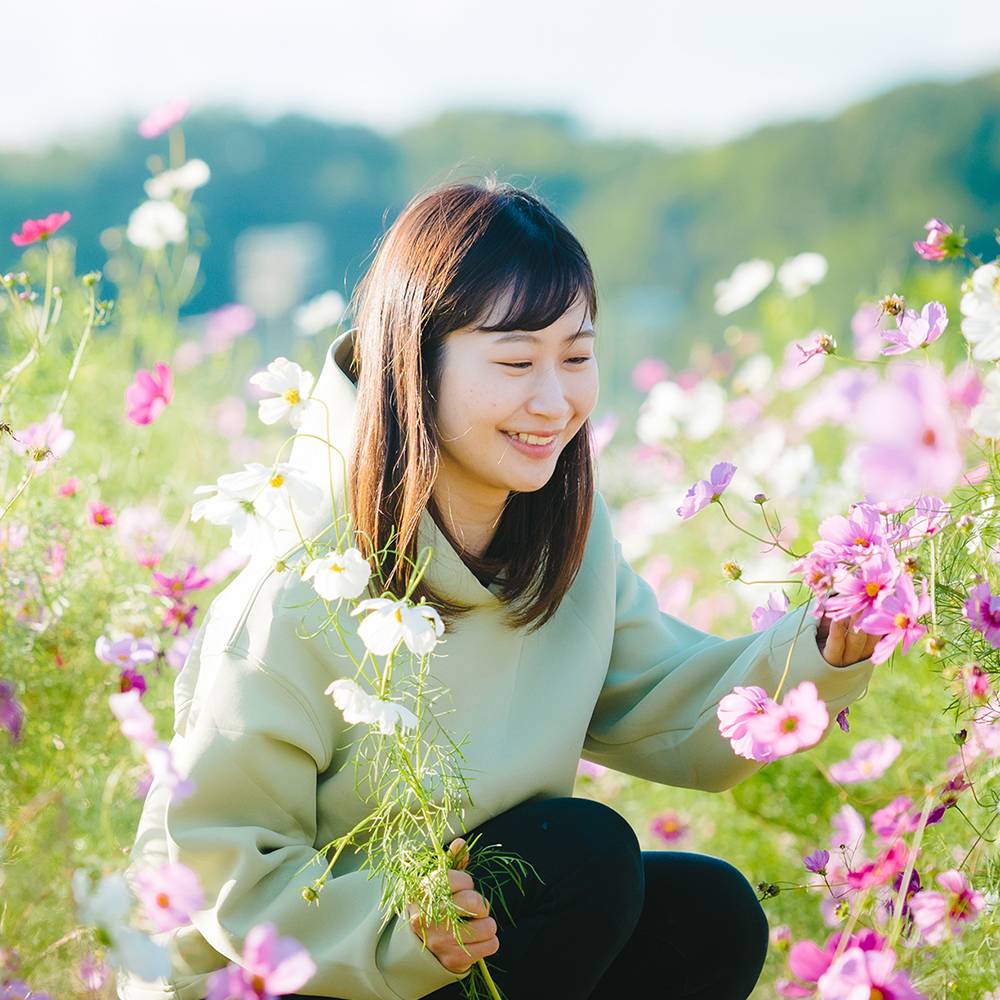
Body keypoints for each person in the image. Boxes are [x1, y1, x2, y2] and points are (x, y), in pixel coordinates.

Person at [118, 178, 879, 1000]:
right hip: (291, 975)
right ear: (414, 366)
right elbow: (222, 862)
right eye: (516, 361)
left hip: (456, 943)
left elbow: (672, 704)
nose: (554, 403)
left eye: (578, 358)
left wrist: (829, 643)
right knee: (578, 855)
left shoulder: (564, 549)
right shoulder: (303, 584)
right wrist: (399, 923)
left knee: (704, 911)